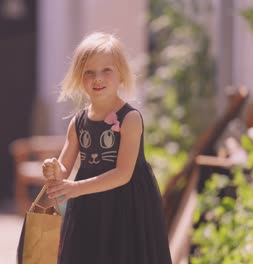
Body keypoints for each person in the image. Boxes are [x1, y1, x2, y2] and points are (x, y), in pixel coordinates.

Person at [42, 32, 172, 264]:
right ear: (78, 77)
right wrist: (54, 170)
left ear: (121, 74)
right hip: (88, 207)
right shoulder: (78, 122)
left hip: (126, 206)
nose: (97, 78)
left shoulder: (130, 118)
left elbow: (123, 173)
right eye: (89, 72)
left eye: (106, 70)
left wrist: (77, 188)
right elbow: (64, 168)